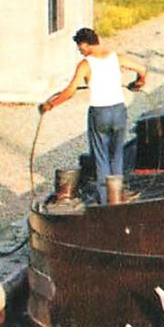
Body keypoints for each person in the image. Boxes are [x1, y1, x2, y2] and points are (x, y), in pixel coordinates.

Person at [40, 27, 148, 205]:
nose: (79, 51)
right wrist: (138, 82)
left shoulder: (86, 64)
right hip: (119, 110)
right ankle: (118, 197)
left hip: (100, 112)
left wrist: (50, 104)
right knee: (117, 154)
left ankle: (105, 200)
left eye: (79, 47)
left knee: (101, 156)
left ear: (85, 44)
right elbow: (142, 69)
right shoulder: (116, 57)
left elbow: (70, 91)